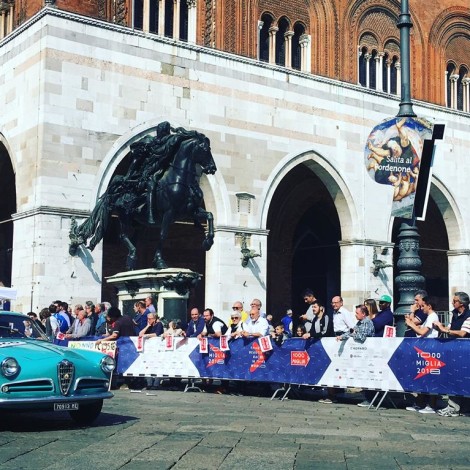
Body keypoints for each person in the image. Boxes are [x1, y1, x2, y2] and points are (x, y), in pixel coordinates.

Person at [433, 291, 470, 417]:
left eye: (454, 301)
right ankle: (454, 406)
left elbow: (462, 333)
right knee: (453, 378)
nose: (452, 303)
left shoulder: (469, 315)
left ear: (462, 303)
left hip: (465, 352)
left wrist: (446, 330)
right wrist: (440, 327)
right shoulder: (455, 314)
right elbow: (449, 329)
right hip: (454, 351)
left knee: (463, 379)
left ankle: (461, 407)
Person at [403, 296, 439, 414]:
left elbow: (423, 332)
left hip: (430, 349)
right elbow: (420, 328)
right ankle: (421, 402)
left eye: (423, 306)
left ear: (429, 306)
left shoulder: (432, 316)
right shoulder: (429, 317)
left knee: (429, 377)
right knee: (422, 377)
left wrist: (410, 324)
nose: (421, 308)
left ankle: (431, 404)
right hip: (424, 349)